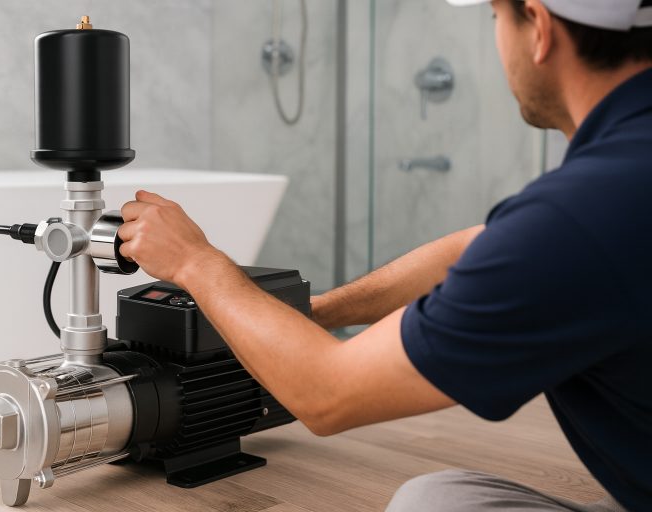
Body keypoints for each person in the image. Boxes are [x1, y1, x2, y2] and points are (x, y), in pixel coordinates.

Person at [118, 0, 652, 510]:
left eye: (495, 16)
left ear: (538, 26)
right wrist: (312, 312)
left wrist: (195, 261)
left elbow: (327, 394)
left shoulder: (582, 214)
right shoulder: (618, 176)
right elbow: (482, 247)